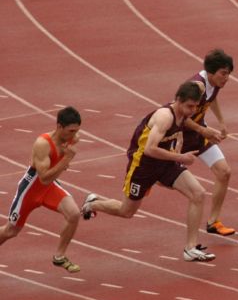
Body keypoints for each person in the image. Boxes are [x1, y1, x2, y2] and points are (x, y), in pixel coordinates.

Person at [81, 82, 215, 262]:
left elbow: (183, 120)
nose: (192, 111)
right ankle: (93, 203)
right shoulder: (164, 117)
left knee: (198, 193)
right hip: (143, 165)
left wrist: (178, 146)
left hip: (165, 163)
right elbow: (150, 149)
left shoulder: (183, 112)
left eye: (195, 107)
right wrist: (181, 157)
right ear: (178, 101)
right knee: (126, 211)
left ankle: (190, 248)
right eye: (189, 106)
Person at [0, 106, 83, 272]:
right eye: (71, 131)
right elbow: (44, 177)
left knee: (73, 214)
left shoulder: (73, 138)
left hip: (49, 187)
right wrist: (66, 159)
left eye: (76, 131)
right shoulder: (43, 144)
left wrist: (63, 161)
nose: (74, 135)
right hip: (31, 188)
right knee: (11, 231)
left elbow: (50, 179)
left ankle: (59, 257)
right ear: (59, 126)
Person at [182, 49, 235, 237]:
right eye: (223, 73)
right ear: (211, 72)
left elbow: (212, 99)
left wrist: (220, 121)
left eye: (229, 73)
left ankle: (213, 221)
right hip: (179, 137)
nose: (227, 77)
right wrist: (204, 130)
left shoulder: (215, 83)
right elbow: (178, 117)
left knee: (224, 172)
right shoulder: (197, 86)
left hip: (198, 133)